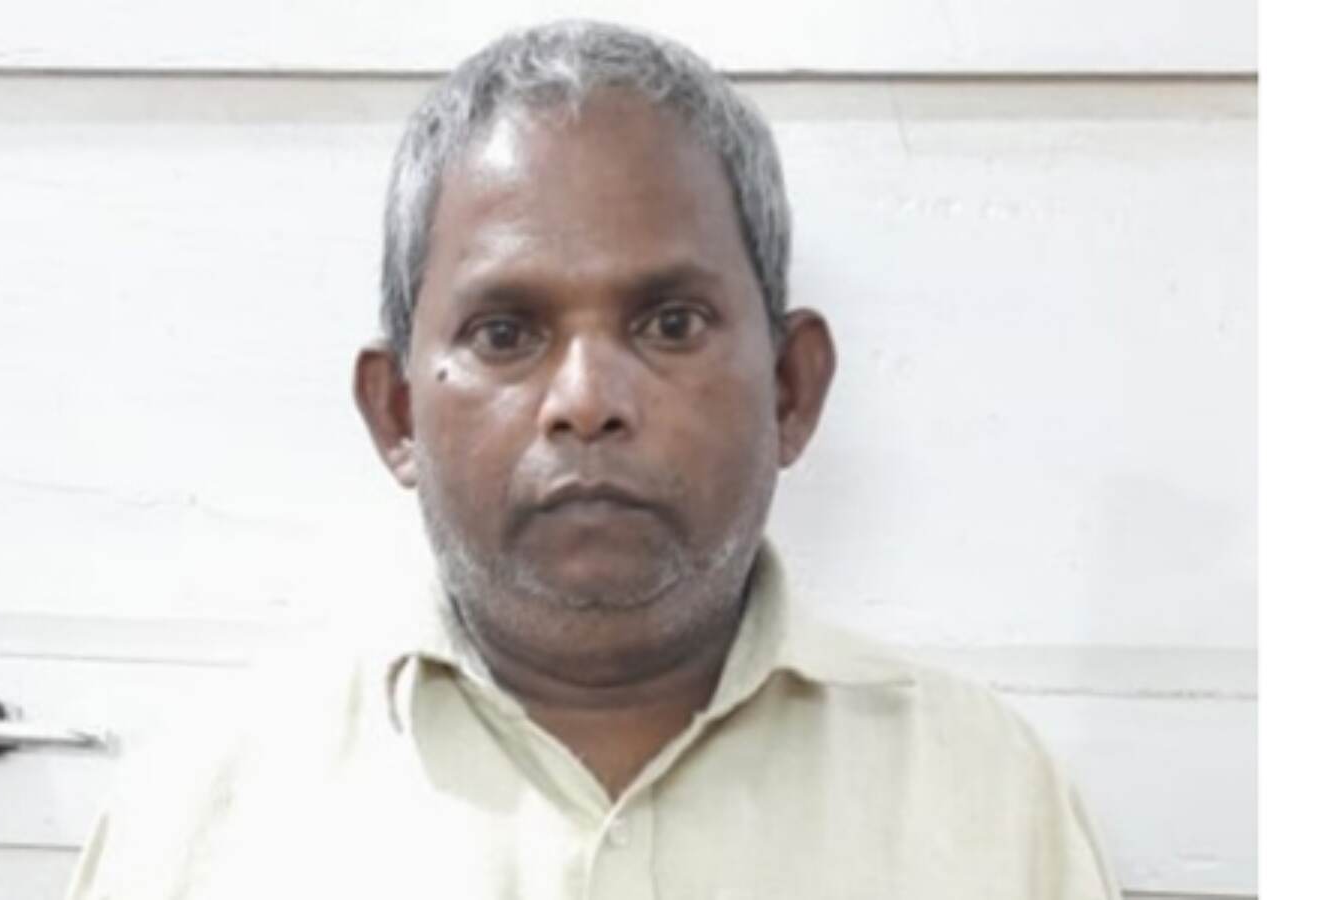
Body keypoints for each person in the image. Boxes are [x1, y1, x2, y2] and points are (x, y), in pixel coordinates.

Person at [66, 20, 1120, 900]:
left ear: (790, 389)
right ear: (396, 413)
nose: (586, 400)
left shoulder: (989, 803)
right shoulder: (206, 815)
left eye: (669, 324)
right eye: (505, 333)